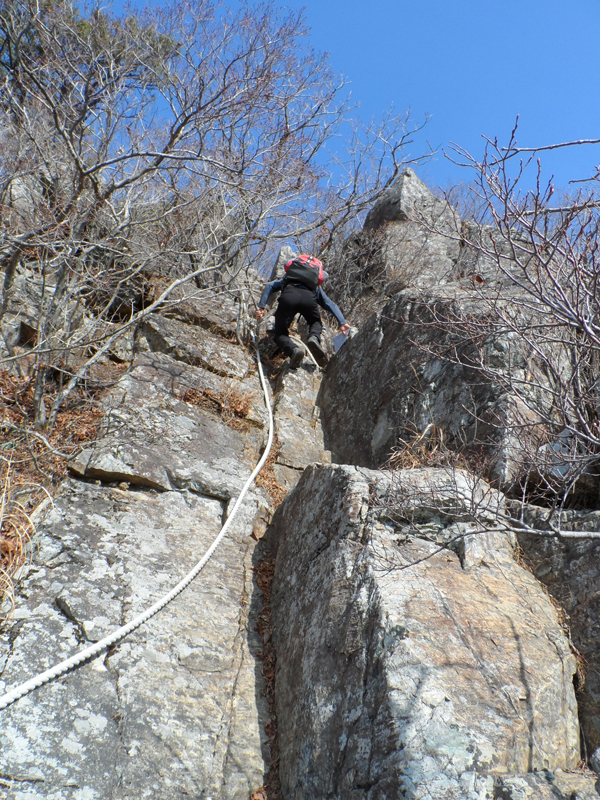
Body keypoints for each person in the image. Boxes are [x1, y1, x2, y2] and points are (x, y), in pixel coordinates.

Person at [255, 255, 350, 369]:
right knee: (315, 322)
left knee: (280, 334)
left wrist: (261, 307)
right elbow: (329, 304)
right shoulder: (314, 287)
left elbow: (270, 286)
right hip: (308, 299)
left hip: (289, 296)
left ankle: (294, 350)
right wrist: (342, 322)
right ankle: (313, 338)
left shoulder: (288, 279)